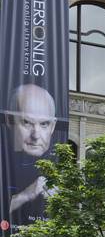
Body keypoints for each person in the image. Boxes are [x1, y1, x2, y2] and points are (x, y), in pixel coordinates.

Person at [6, 84, 58, 224]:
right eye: (27, 122)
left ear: (53, 127)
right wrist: (25, 195)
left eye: (44, 124)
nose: (36, 135)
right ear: (9, 120)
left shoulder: (61, 166)